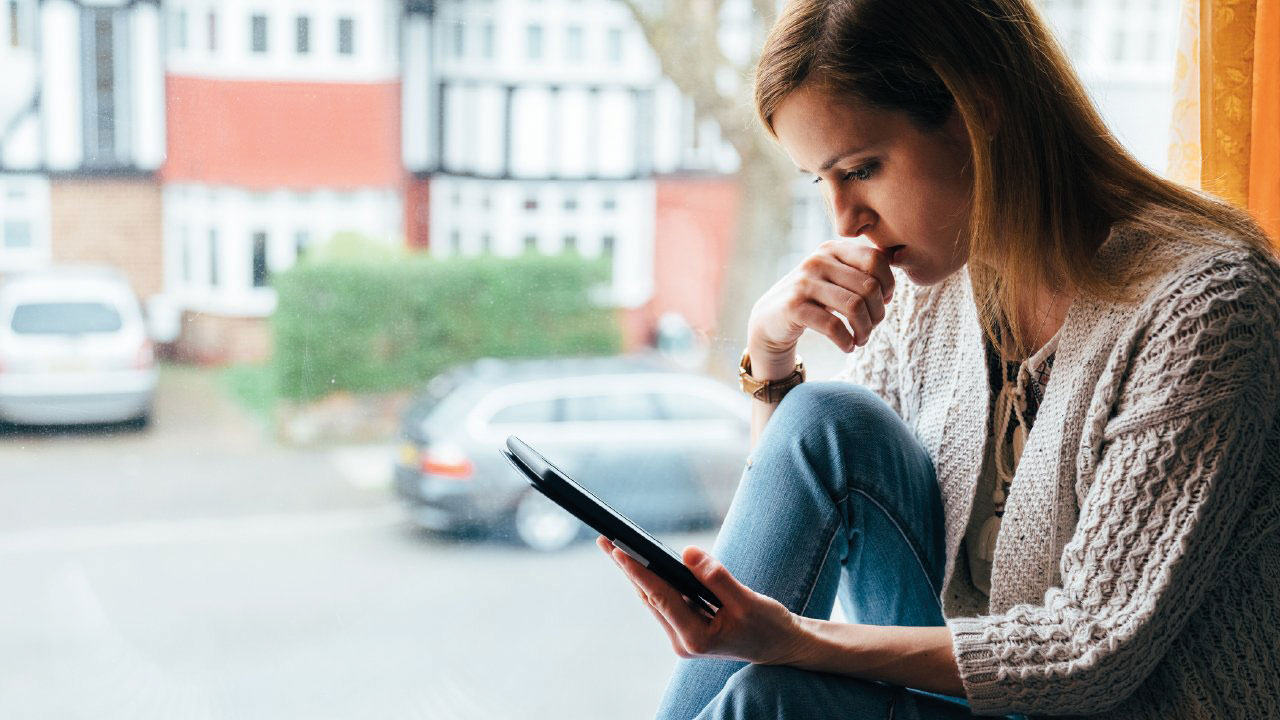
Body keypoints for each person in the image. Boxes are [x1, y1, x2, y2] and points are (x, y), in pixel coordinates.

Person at [596, 0, 1280, 718]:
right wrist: (770, 356)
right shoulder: (945, 284)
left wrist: (796, 640)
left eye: (861, 168)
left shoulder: (1208, 301)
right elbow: (808, 517)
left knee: (771, 697)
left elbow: (1090, 651)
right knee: (827, 418)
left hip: (1113, 704)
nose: (845, 221)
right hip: (979, 695)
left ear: (977, 109)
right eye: (819, 180)